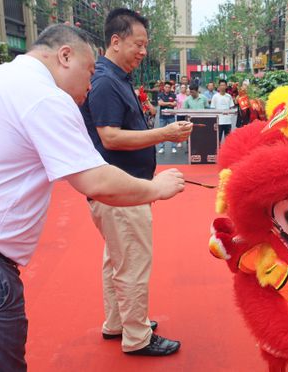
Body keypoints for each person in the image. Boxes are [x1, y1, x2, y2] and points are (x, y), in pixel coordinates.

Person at [0, 24, 185, 371]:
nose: (90, 86)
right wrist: (157, 189)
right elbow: (95, 180)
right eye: (89, 71)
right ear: (64, 56)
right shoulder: (43, 95)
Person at [80, 9, 192, 357]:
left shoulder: (114, 78)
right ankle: (137, 336)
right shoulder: (105, 82)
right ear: (115, 41)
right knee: (132, 264)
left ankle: (120, 322)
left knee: (117, 261)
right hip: (121, 192)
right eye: (138, 44)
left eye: (145, 45)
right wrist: (166, 132)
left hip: (120, 189)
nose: (143, 51)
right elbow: (110, 137)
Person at [210, 79, 235, 143]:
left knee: (228, 140)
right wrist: (214, 121)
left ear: (226, 86)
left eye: (224, 85)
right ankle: (218, 152)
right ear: (219, 86)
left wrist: (230, 116)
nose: (222, 87)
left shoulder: (229, 96)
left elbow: (232, 107)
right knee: (218, 140)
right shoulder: (215, 96)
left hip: (227, 122)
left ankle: (227, 152)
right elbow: (212, 109)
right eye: (221, 85)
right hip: (219, 122)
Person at [157, 81, 178, 153]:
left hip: (171, 116)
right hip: (162, 117)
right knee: (162, 132)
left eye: (169, 87)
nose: (167, 88)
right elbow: (160, 103)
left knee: (174, 132)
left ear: (170, 88)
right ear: (164, 87)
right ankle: (161, 147)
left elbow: (175, 104)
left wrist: (166, 103)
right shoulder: (160, 94)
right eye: (166, 87)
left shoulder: (173, 95)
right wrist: (169, 103)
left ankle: (174, 147)